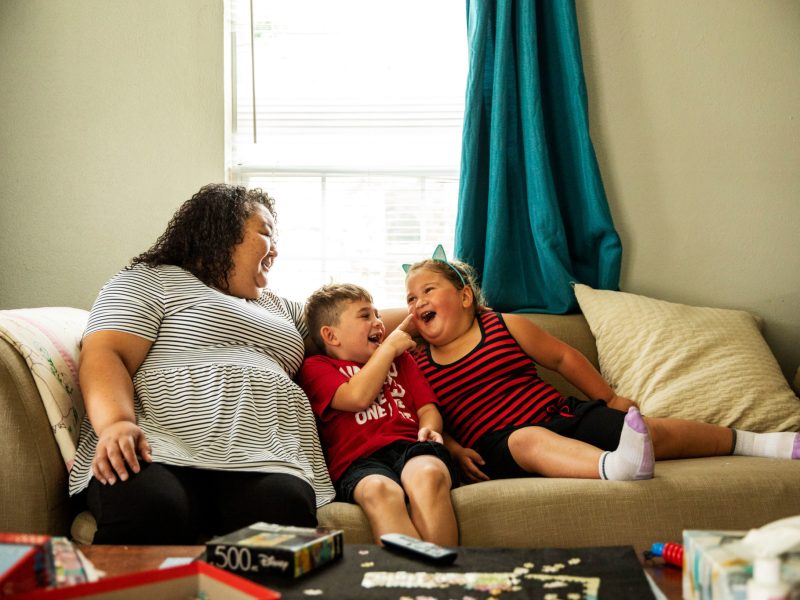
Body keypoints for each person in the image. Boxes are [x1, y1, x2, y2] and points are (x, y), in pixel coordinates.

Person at [69, 183, 335, 544]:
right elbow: (106, 353)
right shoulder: (153, 279)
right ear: (222, 231)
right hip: (159, 448)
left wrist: (428, 300)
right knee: (153, 507)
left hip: (265, 458)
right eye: (266, 233)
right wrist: (116, 423)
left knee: (282, 513)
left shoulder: (280, 308)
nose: (275, 250)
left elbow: (352, 323)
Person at [402, 248, 800, 484]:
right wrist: (454, 449)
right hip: (500, 443)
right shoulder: (418, 361)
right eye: (409, 299)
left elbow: (562, 357)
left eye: (428, 291)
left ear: (466, 296)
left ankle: (760, 442)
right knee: (529, 440)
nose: (417, 303)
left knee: (651, 433)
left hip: (561, 412)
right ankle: (613, 468)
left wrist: (606, 397)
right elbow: (429, 417)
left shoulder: (503, 324)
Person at [298, 283, 458, 546]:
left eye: (378, 315)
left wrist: (430, 427)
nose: (378, 323)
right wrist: (388, 349)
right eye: (365, 316)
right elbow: (357, 397)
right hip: (358, 462)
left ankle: (442, 577)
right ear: (331, 336)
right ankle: (410, 578)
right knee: (379, 490)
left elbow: (427, 408)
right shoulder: (316, 368)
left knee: (428, 475)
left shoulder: (402, 360)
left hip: (411, 447)